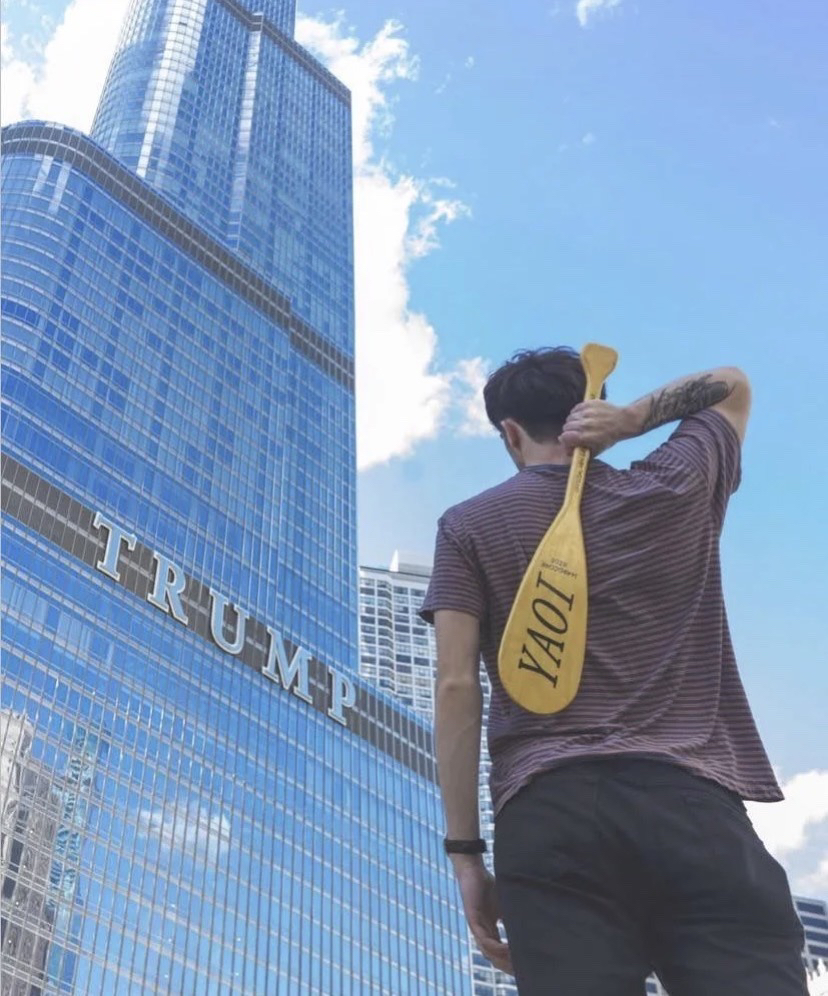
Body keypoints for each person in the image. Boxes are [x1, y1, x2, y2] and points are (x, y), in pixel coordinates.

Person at [419, 347, 807, 995]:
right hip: (693, 806)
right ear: (589, 410)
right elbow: (732, 386)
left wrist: (466, 857)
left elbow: (456, 687)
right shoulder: (674, 487)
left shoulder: (468, 525)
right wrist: (630, 421)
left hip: (550, 815)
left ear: (510, 433)